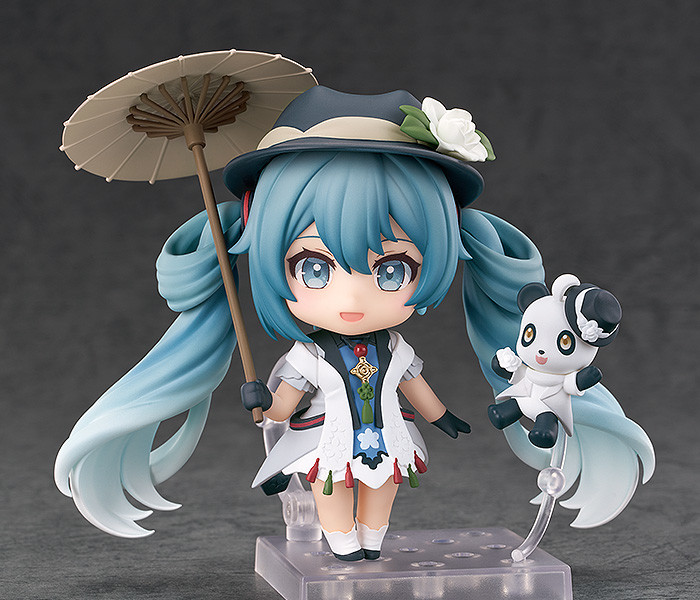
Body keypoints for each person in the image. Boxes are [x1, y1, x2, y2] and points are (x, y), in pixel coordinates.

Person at [54, 86, 654, 558]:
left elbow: (414, 385)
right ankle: (342, 545)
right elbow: (285, 403)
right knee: (331, 486)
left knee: (383, 485)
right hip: (329, 438)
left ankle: (370, 541)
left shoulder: (395, 350)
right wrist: (268, 407)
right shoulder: (308, 357)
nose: (350, 298)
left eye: (391, 271)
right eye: (313, 268)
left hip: (387, 436)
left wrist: (442, 418)